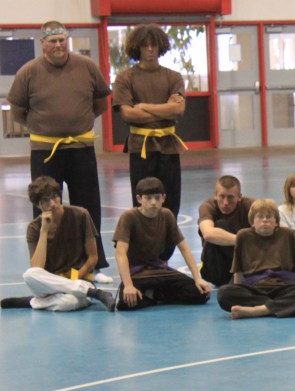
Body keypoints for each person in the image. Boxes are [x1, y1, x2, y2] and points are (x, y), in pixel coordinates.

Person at [6, 20, 114, 282]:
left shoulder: (87, 66)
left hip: (80, 147)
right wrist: (42, 126)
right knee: (45, 206)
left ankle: (94, 265)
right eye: (52, 41)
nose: (58, 45)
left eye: (62, 40)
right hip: (45, 151)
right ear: (43, 44)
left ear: (67, 41)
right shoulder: (28, 72)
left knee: (88, 205)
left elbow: (101, 102)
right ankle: (47, 266)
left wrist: (79, 121)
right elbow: (17, 111)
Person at [111, 24, 188, 246]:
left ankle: (165, 251)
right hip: (140, 146)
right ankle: (144, 248)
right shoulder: (125, 78)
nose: (150, 50)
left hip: (168, 146)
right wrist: (164, 108)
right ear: (137, 48)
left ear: (161, 47)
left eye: (154, 45)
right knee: (143, 200)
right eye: (145, 46)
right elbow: (128, 114)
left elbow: (178, 110)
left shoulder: (173, 77)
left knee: (171, 201)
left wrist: (144, 106)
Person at [0, 176, 115, 312]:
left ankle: (33, 302)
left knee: (68, 303)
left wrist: (74, 278)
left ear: (60, 196)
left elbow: (93, 257)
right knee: (29, 275)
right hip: (50, 284)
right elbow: (37, 267)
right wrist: (44, 231)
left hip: (78, 279)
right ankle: (94, 293)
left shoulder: (80, 215)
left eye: (54, 197)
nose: (52, 204)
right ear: (38, 205)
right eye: (45, 200)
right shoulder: (34, 228)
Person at [112, 177, 211, 311]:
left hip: (158, 270)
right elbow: (120, 253)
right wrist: (128, 285)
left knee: (201, 294)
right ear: (139, 199)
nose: (153, 202)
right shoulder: (128, 217)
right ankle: (158, 295)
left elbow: (184, 248)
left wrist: (197, 278)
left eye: (157, 198)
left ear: (163, 198)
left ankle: (153, 295)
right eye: (148, 198)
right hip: (136, 273)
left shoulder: (166, 215)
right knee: (125, 302)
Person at [216, 199, 295, 319]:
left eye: (269, 216)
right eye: (260, 217)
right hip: (254, 289)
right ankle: (285, 306)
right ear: (252, 221)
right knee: (224, 293)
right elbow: (238, 272)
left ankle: (259, 310)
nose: (265, 220)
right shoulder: (243, 236)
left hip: (283, 288)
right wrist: (238, 290)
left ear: (276, 222)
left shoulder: (287, 234)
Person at [197, 175, 254, 286]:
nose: (226, 202)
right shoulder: (207, 207)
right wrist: (244, 240)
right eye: (222, 197)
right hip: (216, 268)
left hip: (243, 264)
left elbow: (274, 223)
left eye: (230, 197)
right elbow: (208, 234)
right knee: (220, 225)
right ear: (215, 195)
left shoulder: (250, 206)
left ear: (239, 197)